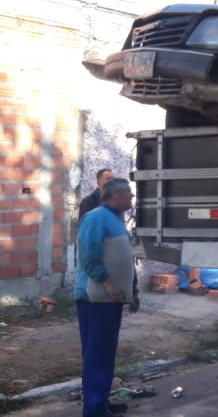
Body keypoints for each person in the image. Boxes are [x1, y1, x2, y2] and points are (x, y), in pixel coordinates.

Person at [75, 178, 139, 417]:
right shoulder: (95, 218)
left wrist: (133, 292)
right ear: (115, 195)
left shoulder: (116, 220)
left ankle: (100, 401)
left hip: (111, 298)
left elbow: (124, 260)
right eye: (129, 194)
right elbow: (88, 255)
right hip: (95, 298)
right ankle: (93, 409)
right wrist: (109, 283)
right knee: (96, 354)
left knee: (106, 353)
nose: (132, 198)